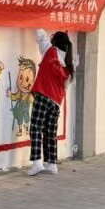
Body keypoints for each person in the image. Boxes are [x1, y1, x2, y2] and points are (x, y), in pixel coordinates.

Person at [28, 30, 74, 176]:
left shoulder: (50, 50)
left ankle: (37, 163)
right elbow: (65, 86)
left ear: (55, 41)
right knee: (50, 132)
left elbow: (40, 34)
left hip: (43, 95)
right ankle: (52, 164)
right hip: (56, 102)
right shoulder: (69, 64)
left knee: (36, 128)